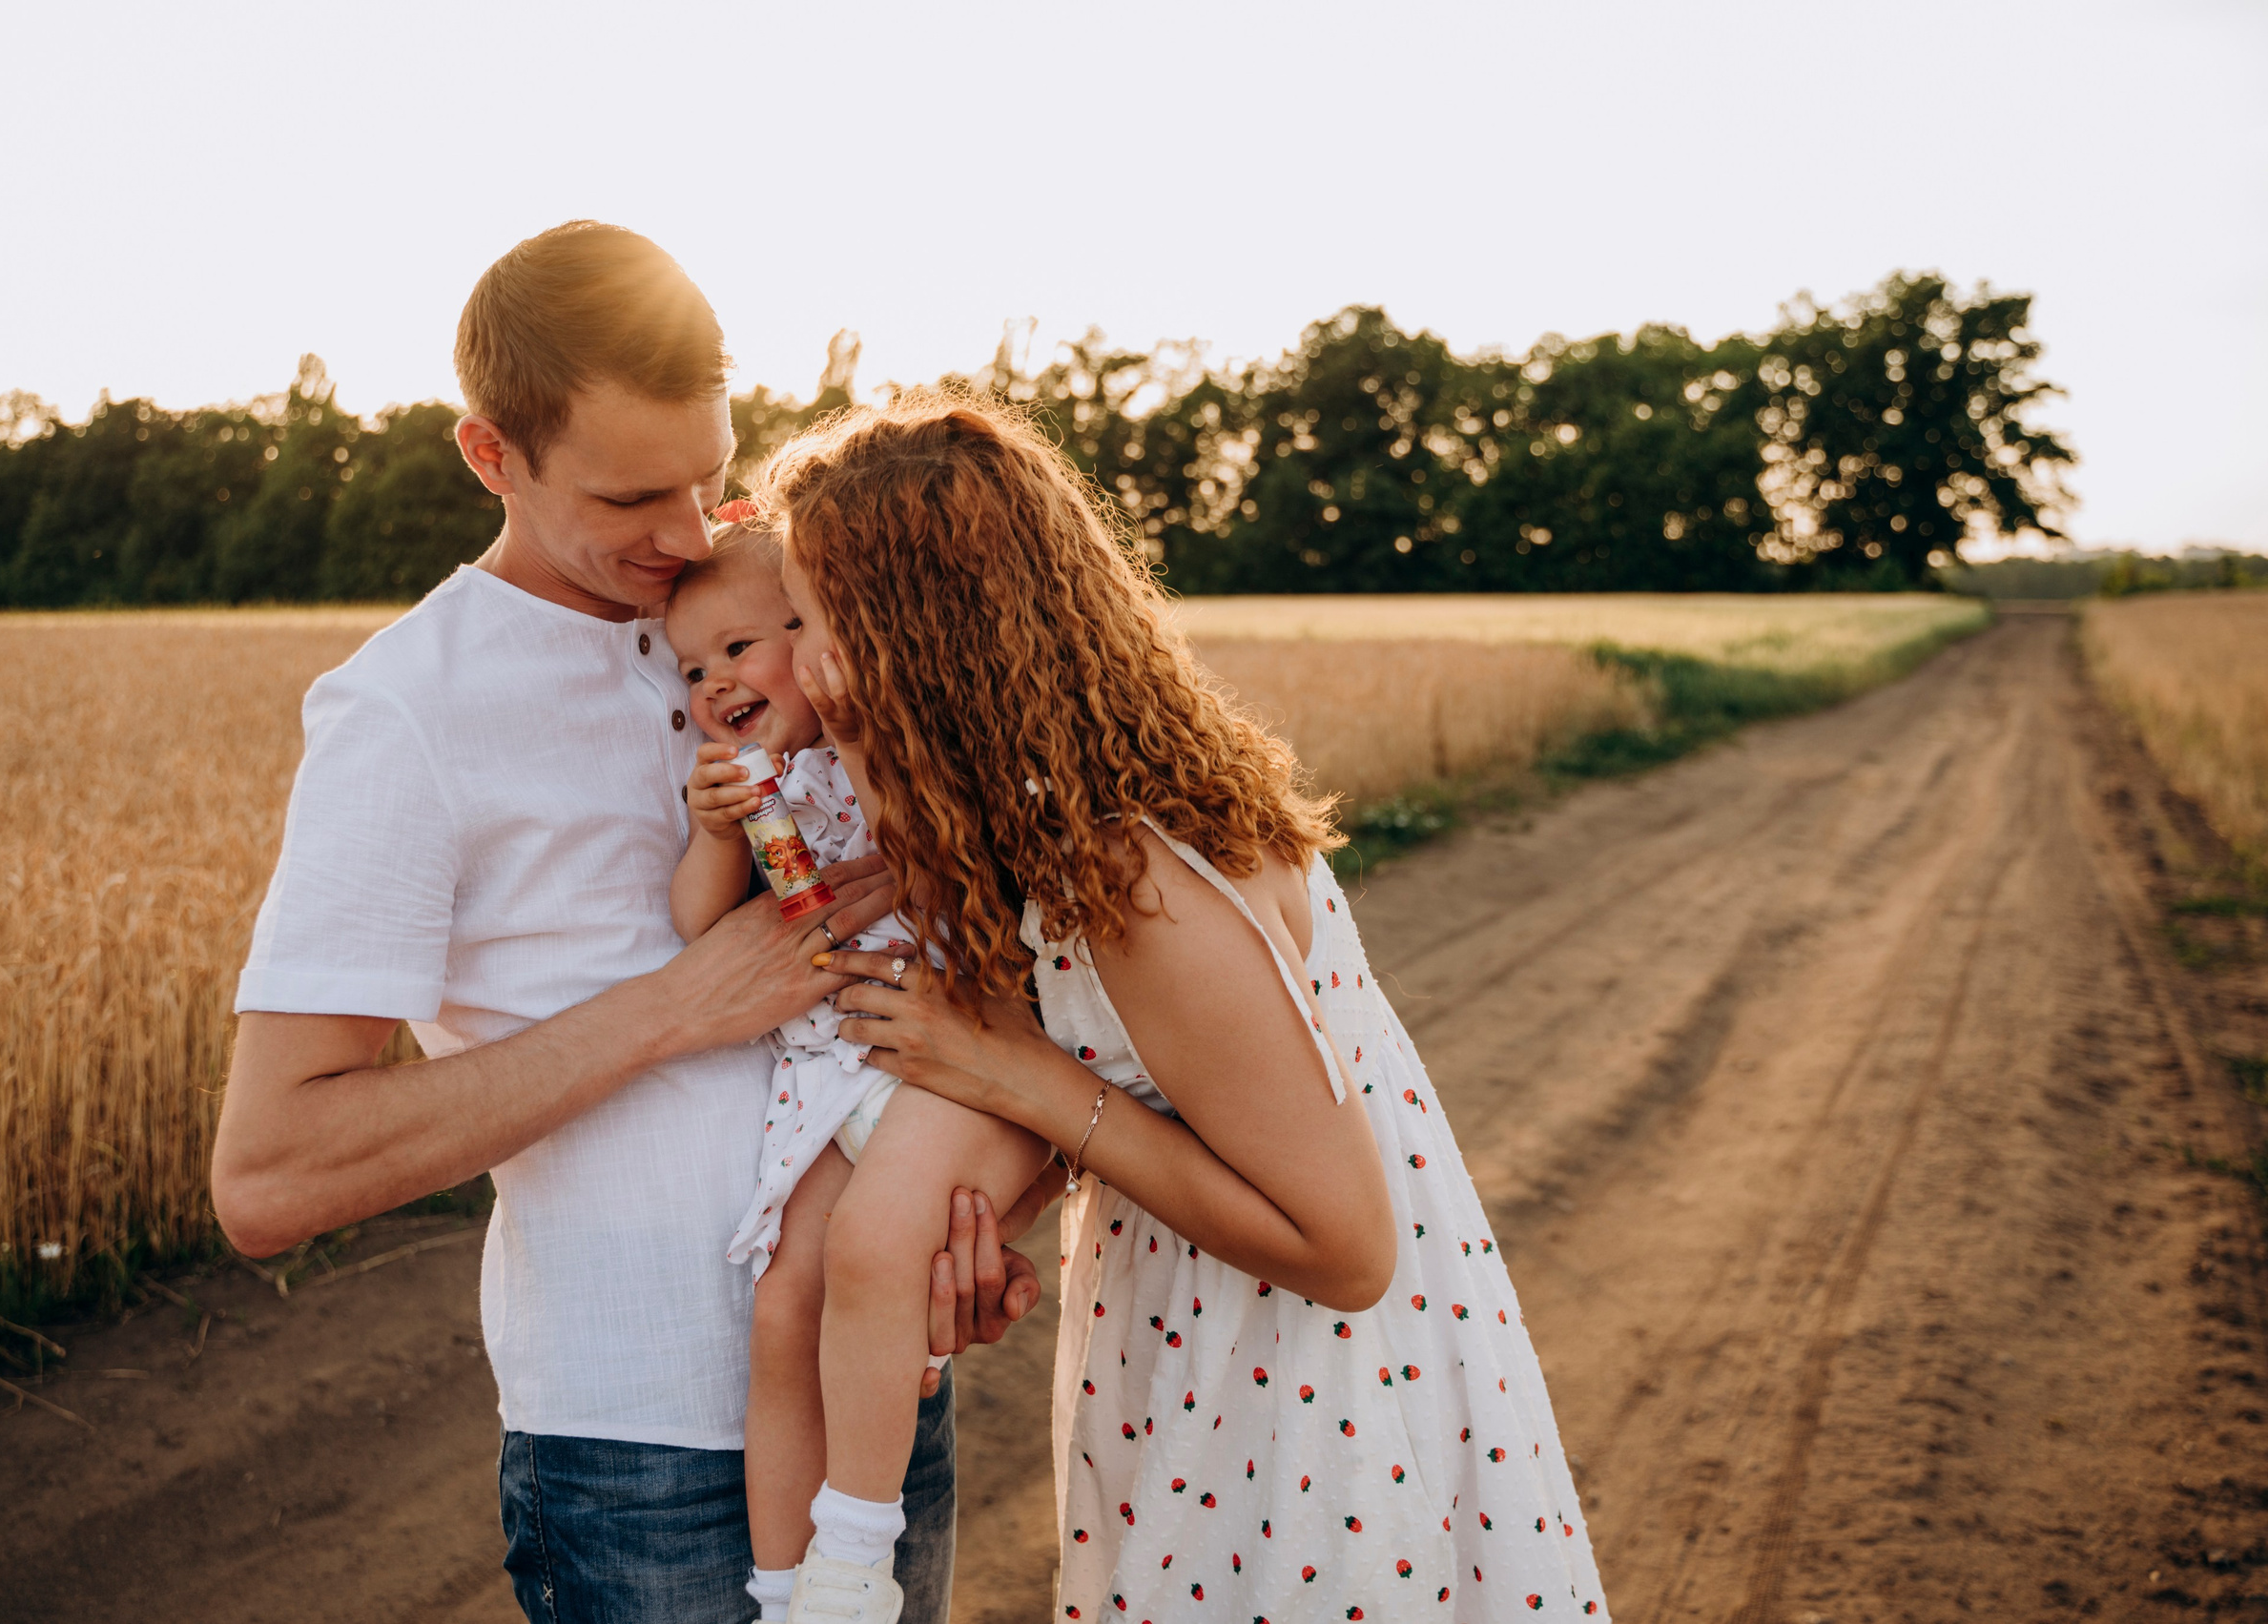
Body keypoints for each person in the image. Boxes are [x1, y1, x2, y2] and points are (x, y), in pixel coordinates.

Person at [208, 223, 1038, 1624]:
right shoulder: (403, 709)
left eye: (711, 476)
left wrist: (972, 1225)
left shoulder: (801, 603)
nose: (689, 532)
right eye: (634, 495)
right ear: (492, 457)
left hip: (884, 1402)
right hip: (641, 1457)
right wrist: (683, 1001)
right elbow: (270, 1174)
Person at [755, 390, 1614, 1621]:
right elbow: (1167, 1099)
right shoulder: (1045, 832)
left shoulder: (1142, 882)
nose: (797, 660)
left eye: (809, 619)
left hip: (1302, 1406)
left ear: (917, 646)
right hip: (1199, 1350)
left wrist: (1024, 1081)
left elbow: (1349, 1246)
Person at [664, 527, 1056, 1623]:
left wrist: (865, 739)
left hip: (942, 1050)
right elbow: (701, 928)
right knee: (784, 1305)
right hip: (834, 1071)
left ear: (821, 640)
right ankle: (782, 1588)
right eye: (690, 668)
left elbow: (963, 884)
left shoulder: (898, 741)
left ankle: (852, 1558)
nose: (713, 682)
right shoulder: (760, 785)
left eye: (738, 646)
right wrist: (710, 834)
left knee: (869, 1251)